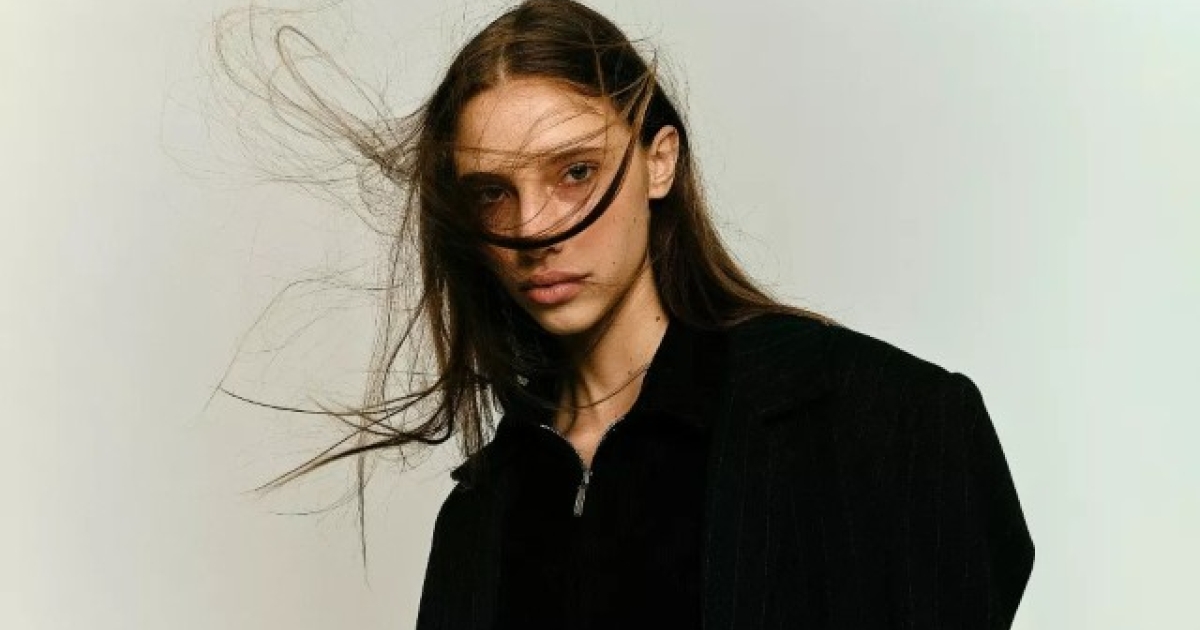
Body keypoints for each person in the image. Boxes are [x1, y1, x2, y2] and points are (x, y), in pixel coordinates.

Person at [225, 0, 1034, 628]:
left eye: (575, 172)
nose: (534, 228)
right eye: (493, 193)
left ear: (659, 162)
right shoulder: (484, 510)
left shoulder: (887, 421)